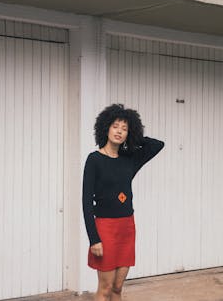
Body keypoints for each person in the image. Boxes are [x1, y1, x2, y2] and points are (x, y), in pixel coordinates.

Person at [82, 104, 164, 301]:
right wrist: (94, 239)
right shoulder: (94, 160)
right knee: (105, 288)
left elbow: (157, 144)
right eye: (115, 126)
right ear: (106, 128)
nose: (119, 131)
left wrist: (135, 137)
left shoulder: (129, 160)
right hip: (105, 229)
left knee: (118, 288)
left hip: (127, 227)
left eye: (125, 128)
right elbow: (86, 202)